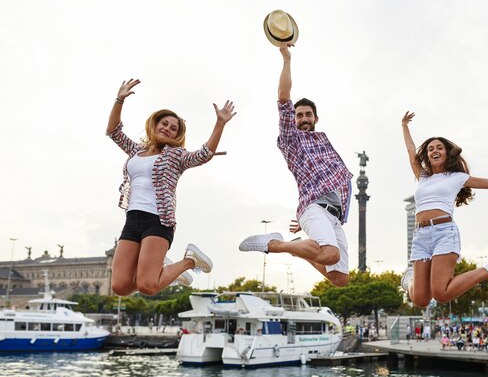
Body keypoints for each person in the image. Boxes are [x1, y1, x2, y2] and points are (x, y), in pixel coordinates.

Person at [107, 79, 236, 296]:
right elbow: (113, 132)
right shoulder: (136, 151)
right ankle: (167, 270)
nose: (167, 129)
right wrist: (120, 99)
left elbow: (203, 154)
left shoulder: (175, 156)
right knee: (120, 286)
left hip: (157, 221)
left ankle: (188, 262)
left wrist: (220, 124)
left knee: (148, 286)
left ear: (177, 136)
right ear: (154, 124)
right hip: (132, 220)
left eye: (173, 128)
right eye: (164, 124)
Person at [238, 42, 353, 287]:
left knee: (340, 279)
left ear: (315, 118)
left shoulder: (323, 142)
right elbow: (283, 98)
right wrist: (287, 59)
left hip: (334, 216)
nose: (302, 119)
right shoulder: (293, 142)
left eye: (307, 115)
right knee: (330, 253)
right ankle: (275, 244)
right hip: (314, 207)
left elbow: (341, 182)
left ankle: (297, 247)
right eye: (299, 115)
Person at [399, 111, 488, 307]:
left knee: (441, 293)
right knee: (420, 300)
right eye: (430, 149)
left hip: (443, 233)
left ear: (446, 153)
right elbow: (411, 150)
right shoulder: (422, 177)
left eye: (439, 147)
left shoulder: (456, 177)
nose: (434, 150)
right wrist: (404, 126)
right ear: (427, 156)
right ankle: (409, 280)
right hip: (420, 236)